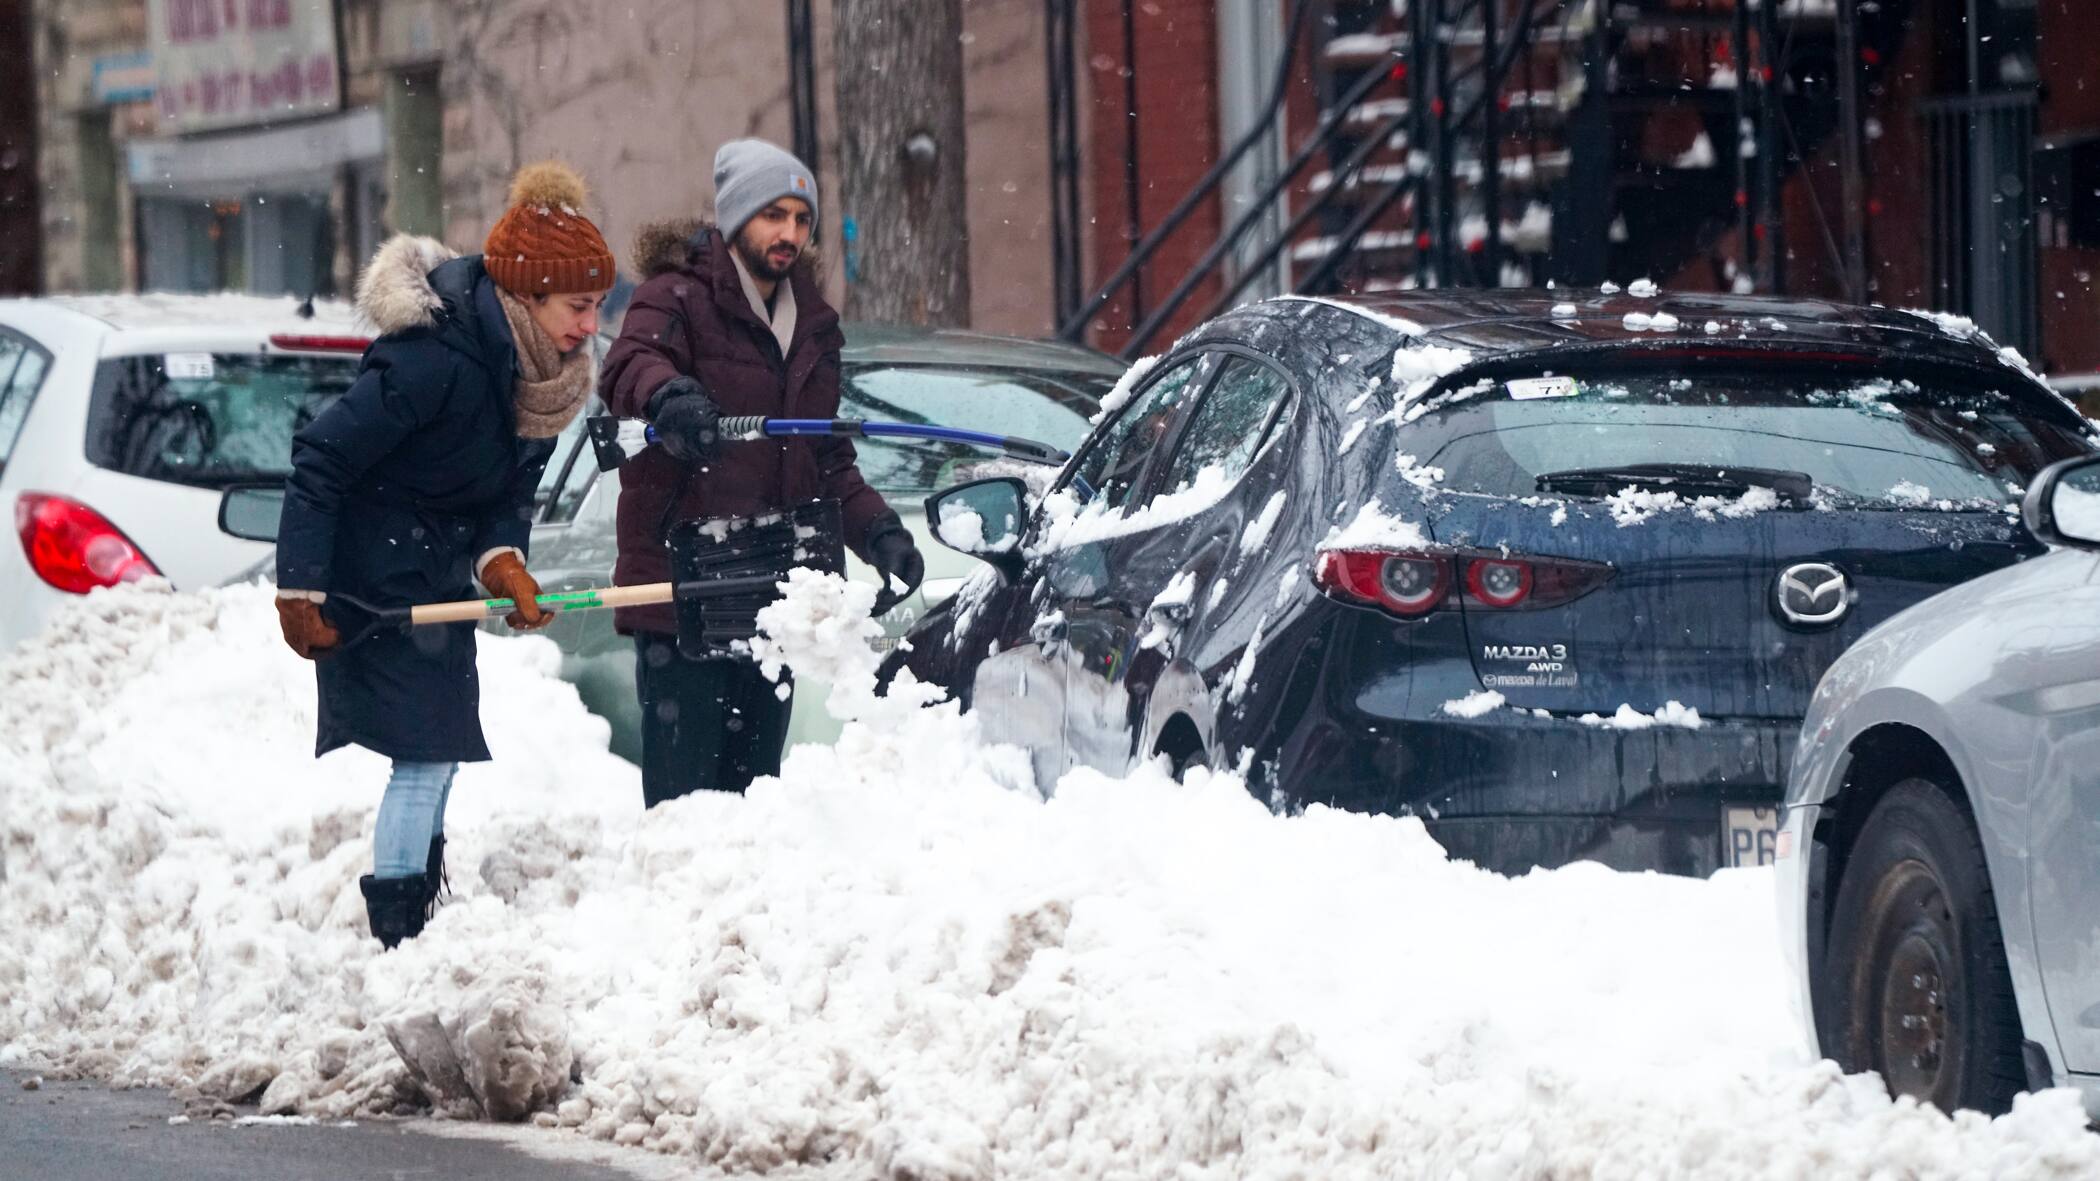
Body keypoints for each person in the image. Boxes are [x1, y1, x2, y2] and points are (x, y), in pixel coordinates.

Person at [274, 162, 614, 948]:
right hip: (371, 572)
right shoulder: (433, 359)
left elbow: (507, 495)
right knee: (426, 752)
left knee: (444, 746)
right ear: (529, 295)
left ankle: (415, 915)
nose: (591, 325)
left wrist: (505, 564)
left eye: (598, 305)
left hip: (436, 574)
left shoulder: (542, 379)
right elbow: (323, 459)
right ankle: (398, 929)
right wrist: (301, 588)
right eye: (578, 306)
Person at [601, 138, 923, 808]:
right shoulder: (675, 295)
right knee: (687, 813)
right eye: (773, 215)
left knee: (756, 808)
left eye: (802, 219)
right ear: (735, 217)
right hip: (684, 590)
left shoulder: (814, 323)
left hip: (772, 595)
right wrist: (668, 395)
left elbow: (824, 456)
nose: (789, 234)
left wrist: (880, 533)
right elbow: (628, 365)